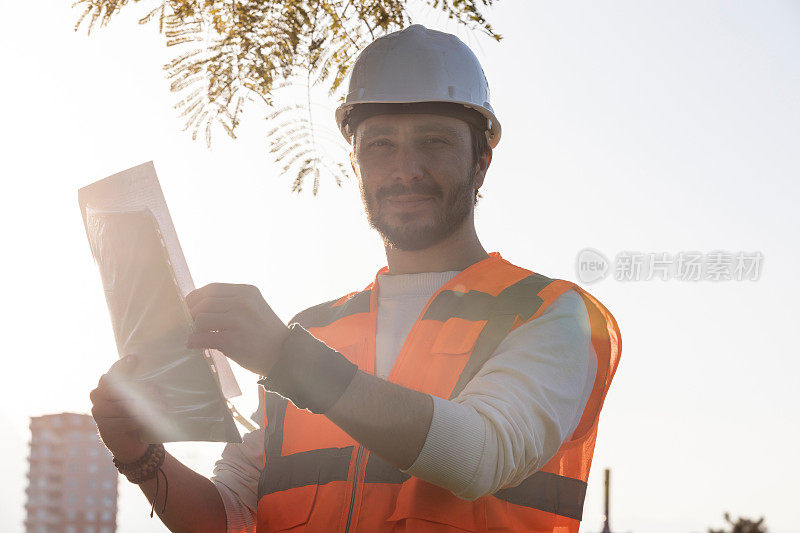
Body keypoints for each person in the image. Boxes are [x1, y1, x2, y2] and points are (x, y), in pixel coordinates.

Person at [90, 24, 621, 533]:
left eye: (433, 142)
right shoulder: (313, 331)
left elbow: (479, 454)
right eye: (381, 145)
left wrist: (284, 358)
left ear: (482, 158)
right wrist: (141, 455)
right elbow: (230, 518)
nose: (405, 168)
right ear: (356, 160)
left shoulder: (550, 313)